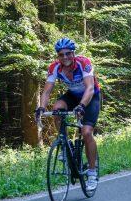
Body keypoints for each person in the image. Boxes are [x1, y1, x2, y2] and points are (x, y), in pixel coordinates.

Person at [35, 37, 101, 191]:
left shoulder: (83, 63)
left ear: (73, 53)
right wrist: (41, 108)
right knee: (57, 108)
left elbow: (90, 88)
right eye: (61, 54)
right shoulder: (54, 67)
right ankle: (64, 143)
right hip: (72, 95)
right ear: (58, 56)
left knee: (86, 132)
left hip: (90, 97)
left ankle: (92, 172)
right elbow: (46, 91)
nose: (65, 57)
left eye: (68, 53)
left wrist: (81, 106)